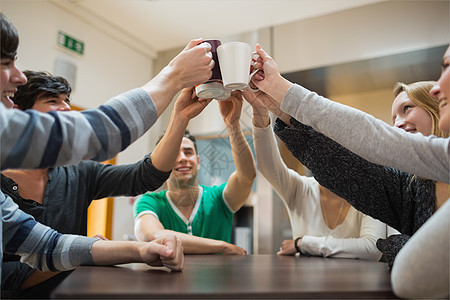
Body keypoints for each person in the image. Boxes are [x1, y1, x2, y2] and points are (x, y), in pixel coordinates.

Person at [0, 12, 214, 295]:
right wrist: (174, 75)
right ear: (18, 117)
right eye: (53, 101)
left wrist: (179, 118)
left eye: (67, 101)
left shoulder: (76, 172)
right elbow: (10, 277)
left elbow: (145, 176)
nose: (66, 109)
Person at [247, 44, 449, 298]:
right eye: (393, 116)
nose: (397, 124)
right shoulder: (414, 188)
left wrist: (281, 89)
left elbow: (372, 136)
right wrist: (277, 108)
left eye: (407, 108)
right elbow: (349, 168)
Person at [247, 93, 385, 260]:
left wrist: (303, 243)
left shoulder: (368, 194)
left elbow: (372, 249)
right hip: (304, 285)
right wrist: (259, 110)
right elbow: (268, 165)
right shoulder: (301, 188)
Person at [134, 89, 256, 255]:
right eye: (174, 153)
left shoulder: (219, 199)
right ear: (162, 162)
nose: (183, 158)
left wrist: (232, 125)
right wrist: (222, 246)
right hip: (168, 281)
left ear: (198, 161)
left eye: (188, 152)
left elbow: (247, 176)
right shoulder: (150, 202)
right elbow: (151, 235)